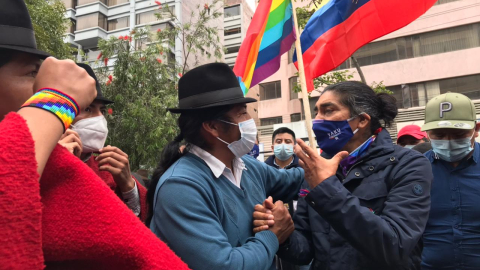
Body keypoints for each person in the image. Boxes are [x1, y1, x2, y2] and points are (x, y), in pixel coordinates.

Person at [0, 1, 189, 269]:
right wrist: (52, 107)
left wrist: (129, 188)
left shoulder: (100, 165)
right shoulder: (38, 149)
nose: (39, 91)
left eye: (100, 110)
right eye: (33, 73)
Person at [253, 81, 433, 269]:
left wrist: (327, 187)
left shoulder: (409, 164)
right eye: (317, 112)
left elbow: (394, 245)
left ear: (362, 120)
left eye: (328, 110)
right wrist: (282, 232)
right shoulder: (317, 168)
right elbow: (305, 251)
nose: (318, 120)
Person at [148, 63, 305, 270]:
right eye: (242, 114)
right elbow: (226, 265)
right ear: (213, 127)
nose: (250, 121)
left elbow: (292, 180)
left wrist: (326, 168)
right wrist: (272, 234)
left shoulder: (246, 166)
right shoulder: (181, 187)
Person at [58, 63, 148, 221]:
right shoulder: (38, 157)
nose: (99, 118)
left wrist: (127, 185)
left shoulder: (105, 168)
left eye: (102, 111)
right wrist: (57, 164)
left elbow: (131, 226)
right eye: (88, 109)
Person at [420, 93, 480, 269]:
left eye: (458, 134)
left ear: (476, 129)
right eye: (439, 134)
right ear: (427, 134)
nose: (449, 141)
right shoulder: (415, 170)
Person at [265, 127, 305, 270]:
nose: (283, 145)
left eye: (287, 141)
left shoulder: (304, 169)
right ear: (272, 147)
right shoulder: (262, 171)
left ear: (294, 147)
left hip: (301, 234)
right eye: (279, 141)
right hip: (272, 234)